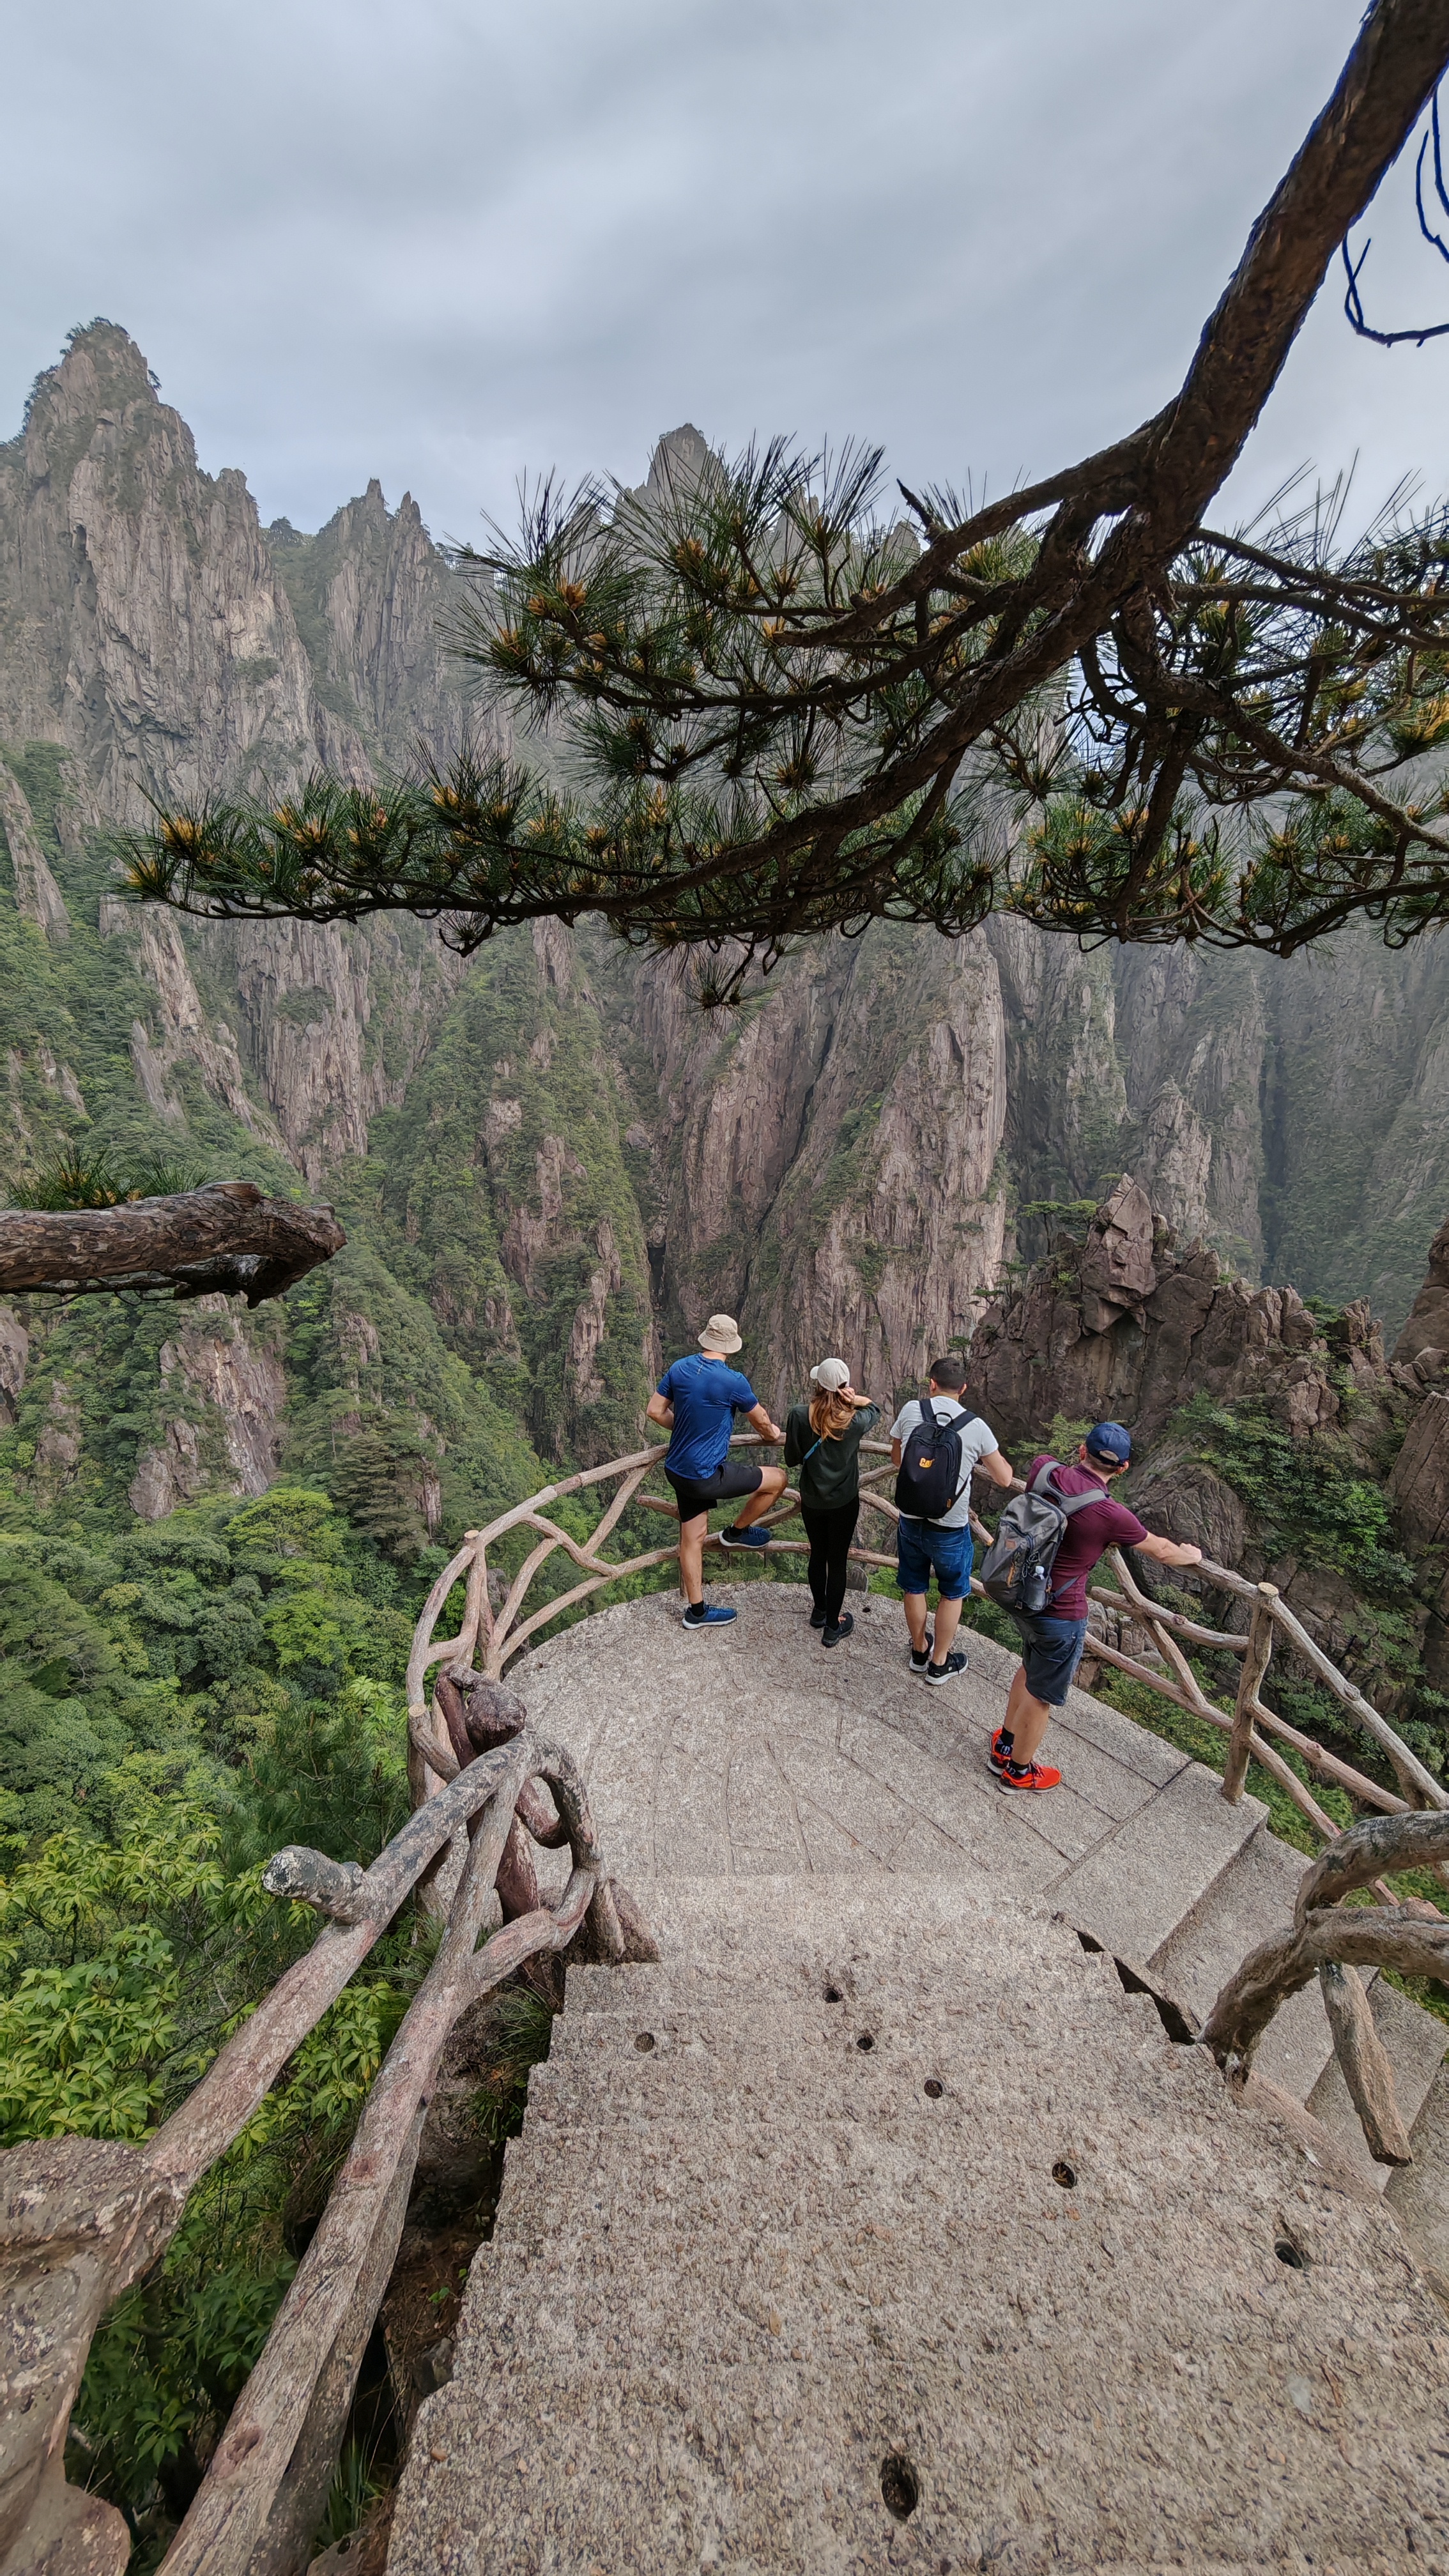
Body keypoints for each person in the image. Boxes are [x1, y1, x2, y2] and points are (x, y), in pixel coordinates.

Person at [993, 1421, 1204, 1793]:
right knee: (1042, 1697)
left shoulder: (1043, 1467)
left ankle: (1004, 1745)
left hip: (1020, 1593)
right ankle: (1019, 1771)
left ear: (1081, 1451)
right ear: (1122, 1468)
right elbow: (1162, 1551)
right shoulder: (1112, 1516)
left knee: (1028, 1668)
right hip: (1060, 1613)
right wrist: (1190, 1554)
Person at [645, 1312, 786, 1630]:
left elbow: (655, 1411)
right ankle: (737, 1533)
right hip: (706, 1475)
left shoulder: (680, 1367)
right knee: (778, 1480)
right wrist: (772, 1435)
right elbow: (763, 1423)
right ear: (730, 1346)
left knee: (692, 1539)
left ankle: (696, 1612)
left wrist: (682, 1426)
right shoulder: (733, 1381)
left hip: (677, 1470)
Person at [890, 1356, 1015, 1685]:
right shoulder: (976, 1426)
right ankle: (939, 1663)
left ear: (931, 1383)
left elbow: (897, 1459)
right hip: (950, 1527)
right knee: (952, 1593)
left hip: (910, 1518)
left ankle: (919, 1651)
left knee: (914, 1587)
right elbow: (1004, 1479)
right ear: (963, 1389)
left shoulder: (911, 1410)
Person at [782, 1360, 879, 1648]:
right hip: (844, 1502)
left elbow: (791, 1459)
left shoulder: (799, 1415)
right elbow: (874, 1409)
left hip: (812, 1500)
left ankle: (819, 1611)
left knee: (818, 1554)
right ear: (844, 1387)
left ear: (818, 1384)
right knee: (837, 1562)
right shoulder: (856, 1421)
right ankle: (832, 1628)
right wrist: (854, 1399)